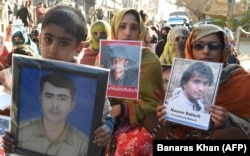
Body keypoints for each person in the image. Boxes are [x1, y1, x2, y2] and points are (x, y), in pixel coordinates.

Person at [3, 5, 114, 155]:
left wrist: (105, 130)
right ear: (40, 38)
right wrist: (12, 141)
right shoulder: (26, 75)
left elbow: (106, 115)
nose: (53, 49)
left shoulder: (89, 82)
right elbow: (19, 122)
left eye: (64, 43)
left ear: (79, 47)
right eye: (48, 39)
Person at [157, 24, 250, 140]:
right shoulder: (179, 78)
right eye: (199, 46)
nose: (206, 51)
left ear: (223, 50)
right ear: (190, 49)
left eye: (213, 46)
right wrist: (169, 118)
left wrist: (228, 122)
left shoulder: (242, 81)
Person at [104, 8, 164, 155]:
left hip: (138, 126)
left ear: (140, 32)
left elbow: (154, 104)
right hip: (106, 121)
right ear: (115, 30)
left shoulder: (150, 60)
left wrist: (123, 109)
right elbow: (96, 96)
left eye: (134, 27)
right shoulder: (104, 57)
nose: (127, 32)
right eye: (122, 26)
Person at [18, 72, 88, 155]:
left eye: (62, 98)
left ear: (71, 105)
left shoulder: (83, 144)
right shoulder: (20, 131)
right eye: (49, 96)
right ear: (41, 100)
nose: (55, 105)